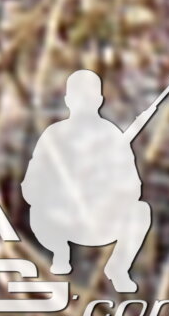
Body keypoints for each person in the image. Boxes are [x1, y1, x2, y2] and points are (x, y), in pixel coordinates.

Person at [28, 71, 155, 294]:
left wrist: (109, 195)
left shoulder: (112, 136)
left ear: (99, 100)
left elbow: (132, 186)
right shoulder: (54, 136)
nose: (84, 103)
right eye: (78, 97)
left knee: (140, 211)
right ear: (68, 100)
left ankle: (118, 268)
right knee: (38, 213)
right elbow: (32, 184)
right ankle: (60, 257)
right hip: (62, 218)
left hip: (102, 218)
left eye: (90, 97)